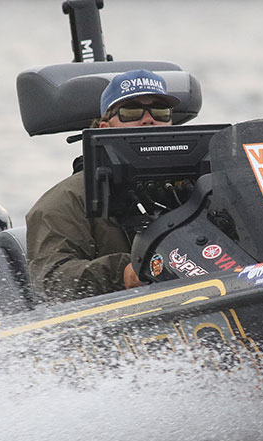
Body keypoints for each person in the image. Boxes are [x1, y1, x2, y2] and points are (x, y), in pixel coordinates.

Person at [26, 69, 180, 302]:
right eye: (131, 112)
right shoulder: (65, 200)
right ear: (105, 128)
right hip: (123, 315)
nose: (149, 119)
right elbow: (53, 281)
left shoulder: (200, 187)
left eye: (160, 111)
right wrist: (124, 273)